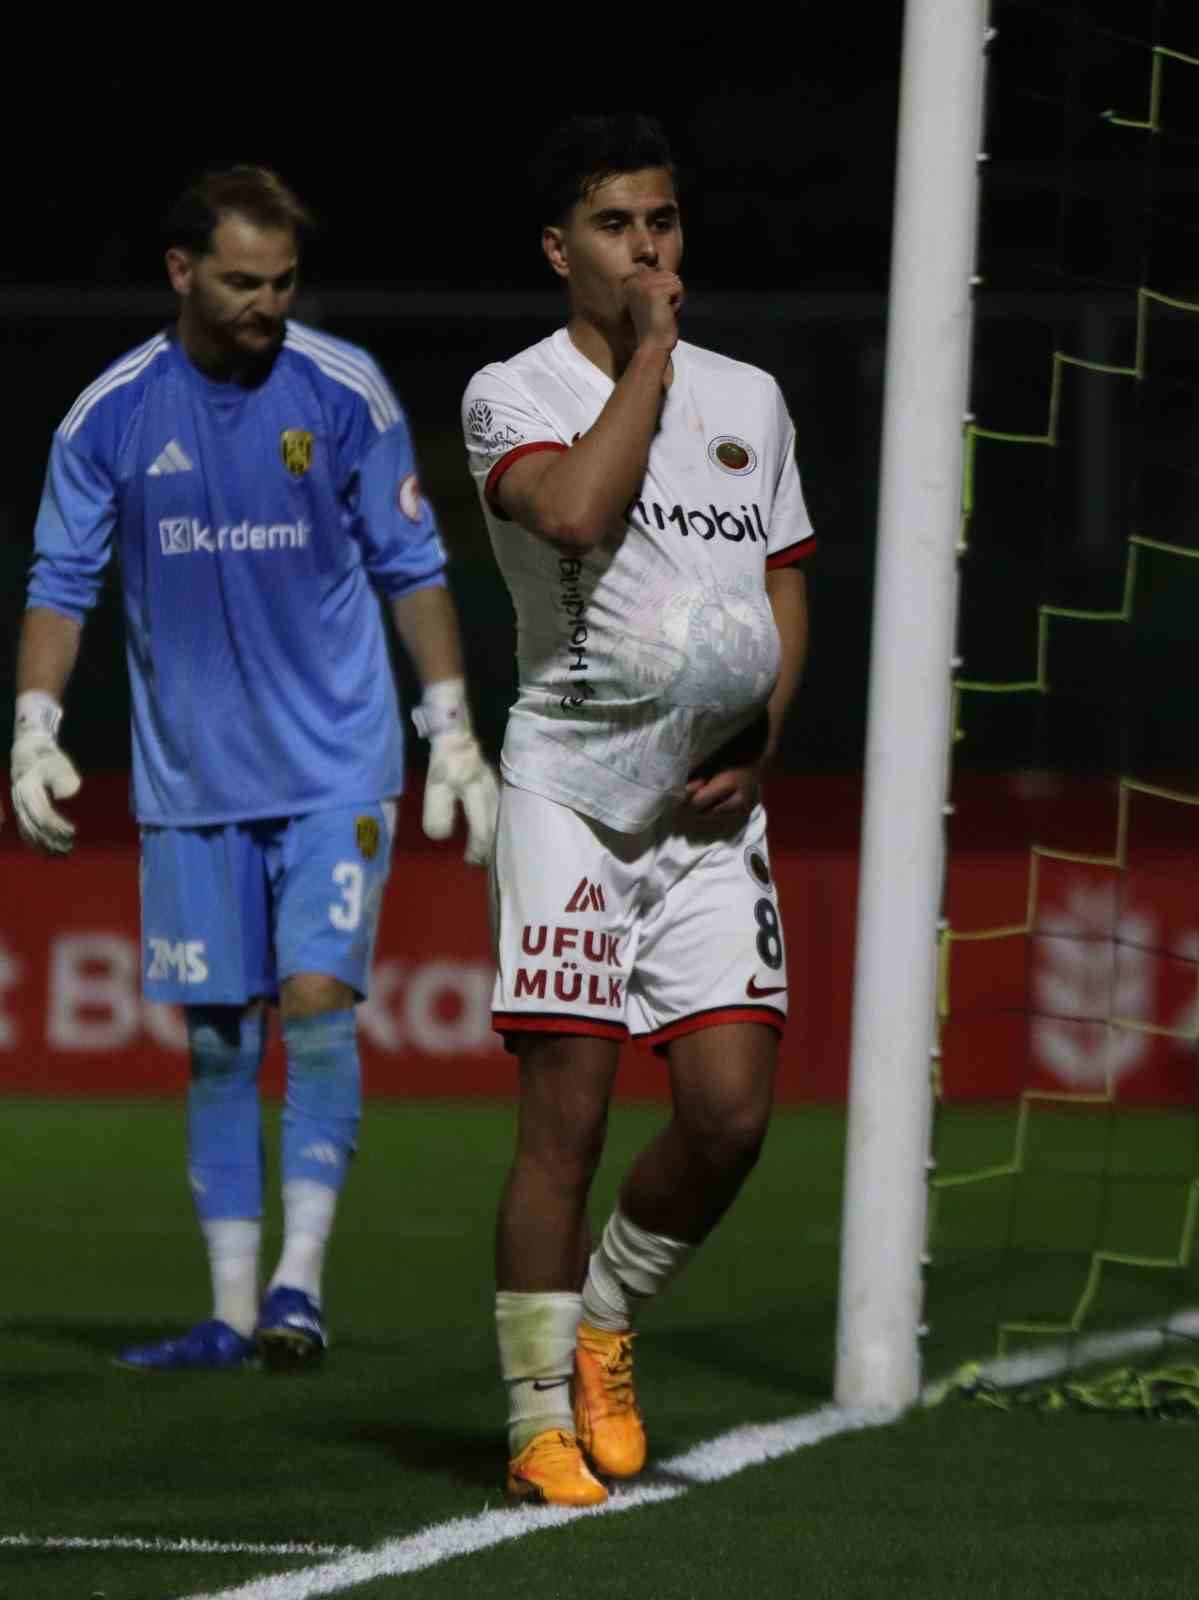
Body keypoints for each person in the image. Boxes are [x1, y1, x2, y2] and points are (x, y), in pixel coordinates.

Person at [7, 165, 498, 1372]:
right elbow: (62, 583)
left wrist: (452, 726)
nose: (265, 305)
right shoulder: (110, 414)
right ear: (182, 272)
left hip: (336, 762)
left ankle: (298, 1287)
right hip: (191, 783)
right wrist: (33, 724)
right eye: (239, 282)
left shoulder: (341, 391)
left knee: (319, 1003)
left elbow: (411, 562)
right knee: (221, 1038)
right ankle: (228, 1312)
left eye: (281, 283)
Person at [461, 114, 813, 1505]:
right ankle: (535, 1415)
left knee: (730, 1115)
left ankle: (606, 1318)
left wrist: (768, 732)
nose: (648, 247)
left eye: (662, 221)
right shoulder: (516, 391)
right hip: (573, 796)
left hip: (710, 809)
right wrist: (650, 358)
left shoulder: (756, 399)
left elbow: (785, 576)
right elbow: (571, 517)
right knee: (571, 1114)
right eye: (617, 226)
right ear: (563, 251)